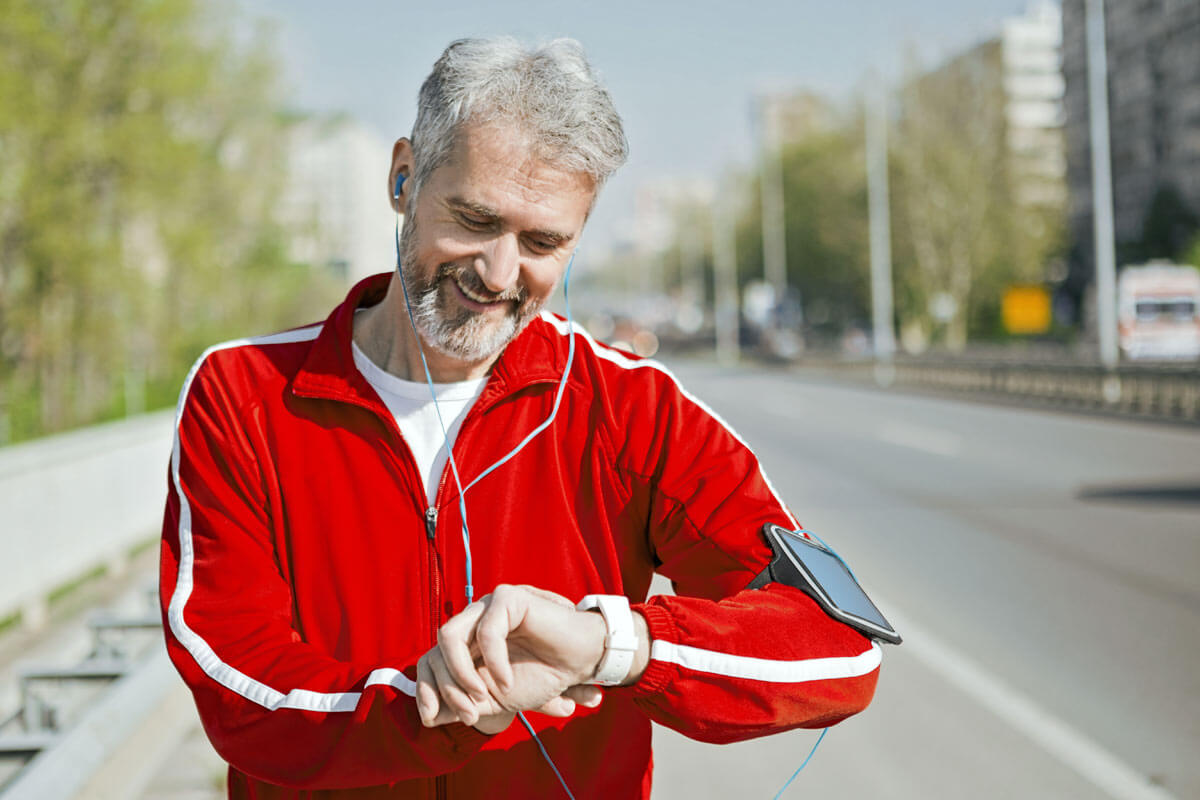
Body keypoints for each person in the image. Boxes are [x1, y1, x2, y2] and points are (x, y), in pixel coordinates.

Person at [160, 36, 881, 800]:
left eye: (543, 242)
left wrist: (613, 645)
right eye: (474, 220)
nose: (499, 275)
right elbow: (235, 682)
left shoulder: (633, 410)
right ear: (404, 176)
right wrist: (431, 705)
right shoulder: (244, 392)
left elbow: (841, 649)